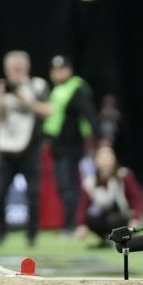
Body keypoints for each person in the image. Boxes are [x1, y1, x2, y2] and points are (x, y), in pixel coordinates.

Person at [0, 50, 51, 247]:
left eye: (19, 68)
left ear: (27, 68)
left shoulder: (37, 85)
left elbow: (48, 111)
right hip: (7, 150)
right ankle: (0, 233)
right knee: (0, 194)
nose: (16, 72)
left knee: (33, 195)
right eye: (13, 69)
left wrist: (24, 98)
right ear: (6, 70)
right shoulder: (2, 89)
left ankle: (31, 235)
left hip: (30, 149)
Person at [43, 55, 99, 234]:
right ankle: (70, 224)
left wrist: (98, 139)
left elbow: (90, 114)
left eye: (62, 69)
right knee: (62, 185)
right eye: (55, 70)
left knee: (69, 185)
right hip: (58, 146)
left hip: (72, 145)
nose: (58, 73)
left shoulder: (76, 88)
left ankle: (72, 225)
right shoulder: (58, 90)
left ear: (69, 70)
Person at [74, 145, 143, 247]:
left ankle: (122, 238)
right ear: (96, 161)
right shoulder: (90, 182)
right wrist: (81, 225)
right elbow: (83, 206)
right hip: (106, 217)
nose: (106, 162)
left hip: (125, 216)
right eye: (102, 158)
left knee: (112, 220)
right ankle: (106, 239)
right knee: (93, 219)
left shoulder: (123, 176)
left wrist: (136, 218)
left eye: (109, 158)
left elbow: (138, 200)